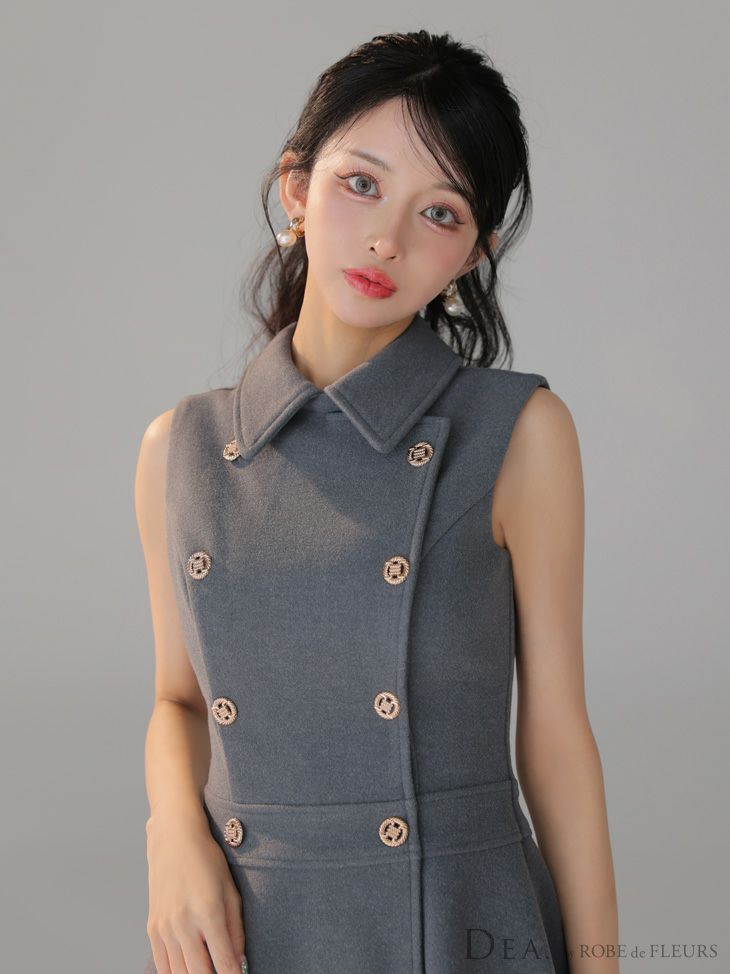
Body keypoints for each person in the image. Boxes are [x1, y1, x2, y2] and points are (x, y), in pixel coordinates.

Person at [135, 29, 619, 974]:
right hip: (247, 924)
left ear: (473, 254)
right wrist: (172, 837)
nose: (386, 240)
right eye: (361, 183)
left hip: (457, 918)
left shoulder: (518, 433)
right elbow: (178, 699)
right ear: (296, 188)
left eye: (439, 213)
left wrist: (601, 966)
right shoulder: (179, 450)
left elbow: (557, 736)